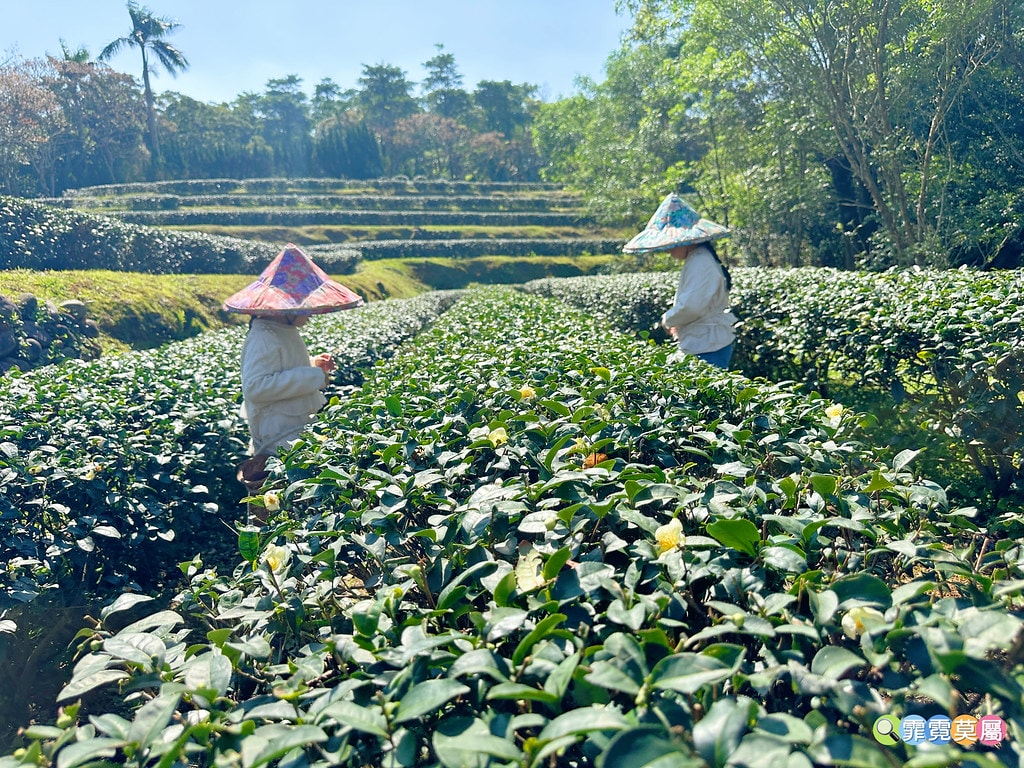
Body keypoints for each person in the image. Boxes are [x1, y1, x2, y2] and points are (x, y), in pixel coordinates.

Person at [223, 243, 363, 521]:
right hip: (277, 437)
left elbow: (282, 370)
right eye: (305, 306)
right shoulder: (264, 335)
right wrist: (313, 376)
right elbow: (256, 387)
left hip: (292, 430)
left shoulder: (280, 329)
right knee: (277, 511)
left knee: (292, 508)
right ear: (285, 307)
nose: (309, 313)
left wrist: (313, 366)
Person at [622, 193, 736, 369]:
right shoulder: (699, 259)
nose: (668, 250)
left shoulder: (700, 262)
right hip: (705, 340)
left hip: (708, 343)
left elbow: (692, 307)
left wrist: (668, 319)